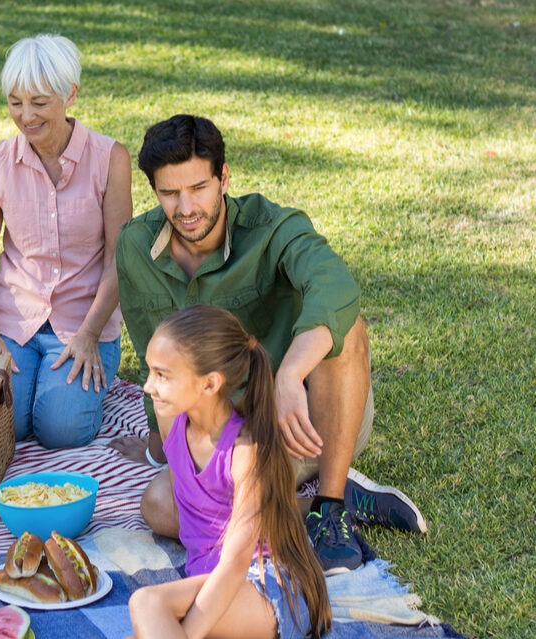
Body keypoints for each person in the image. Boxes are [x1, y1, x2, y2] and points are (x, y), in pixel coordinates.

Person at [113, 114, 425, 574]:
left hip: (306, 423)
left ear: (223, 179)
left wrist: (289, 374)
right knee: (159, 507)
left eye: (198, 187)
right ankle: (322, 511)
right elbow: (157, 362)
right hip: (223, 440)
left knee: (347, 328)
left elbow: (336, 288)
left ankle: (332, 495)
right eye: (169, 193)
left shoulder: (274, 228)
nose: (185, 208)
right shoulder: (135, 247)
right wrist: (171, 448)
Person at [0, 34, 132, 449]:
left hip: (82, 323)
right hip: (12, 324)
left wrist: (91, 334)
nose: (25, 116)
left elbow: (118, 260)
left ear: (70, 94)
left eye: (39, 103)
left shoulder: (111, 159)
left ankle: (80, 387)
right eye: (15, 102)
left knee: (61, 429)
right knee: (6, 428)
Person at [128, 306, 330, 639]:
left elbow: (236, 564)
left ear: (209, 384)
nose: (149, 386)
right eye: (150, 372)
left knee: (147, 603)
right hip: (211, 586)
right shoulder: (173, 424)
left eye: (162, 375)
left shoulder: (246, 451)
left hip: (269, 588)